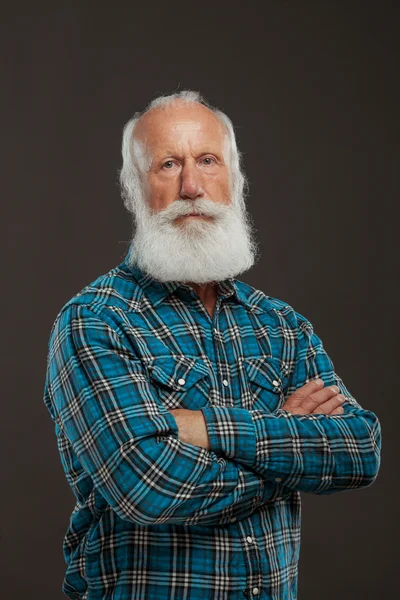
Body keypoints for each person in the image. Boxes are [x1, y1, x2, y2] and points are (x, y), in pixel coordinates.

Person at [43, 90, 381, 600]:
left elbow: (359, 449)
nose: (192, 186)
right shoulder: (94, 321)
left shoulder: (281, 325)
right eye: (168, 164)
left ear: (235, 180)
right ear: (135, 187)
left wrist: (200, 427)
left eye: (207, 160)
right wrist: (288, 446)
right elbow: (148, 485)